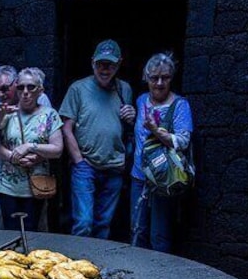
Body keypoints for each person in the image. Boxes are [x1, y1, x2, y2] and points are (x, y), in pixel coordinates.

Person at [59, 39, 136, 239]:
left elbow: (128, 128)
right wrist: (78, 160)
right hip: (86, 164)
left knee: (103, 224)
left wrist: (131, 118)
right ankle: (76, 268)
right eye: (101, 63)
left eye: (110, 64)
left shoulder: (124, 89)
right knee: (83, 222)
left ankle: (97, 268)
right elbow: (66, 128)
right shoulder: (78, 88)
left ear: (119, 64)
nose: (105, 69)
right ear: (92, 62)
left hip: (114, 166)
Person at [130, 53, 194, 252]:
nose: (159, 83)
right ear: (146, 78)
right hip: (139, 176)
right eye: (154, 78)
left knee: (159, 235)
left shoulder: (180, 105)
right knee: (137, 230)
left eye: (165, 77)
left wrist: (157, 130)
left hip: (164, 180)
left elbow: (182, 141)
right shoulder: (141, 101)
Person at [0, 67, 63, 231]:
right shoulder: (8, 112)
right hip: (7, 185)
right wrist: (2, 113)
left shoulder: (49, 115)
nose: (25, 92)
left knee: (32, 231)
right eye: (21, 87)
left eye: (31, 87)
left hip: (35, 185)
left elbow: (57, 149)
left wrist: (31, 147)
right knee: (9, 231)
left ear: (40, 91)